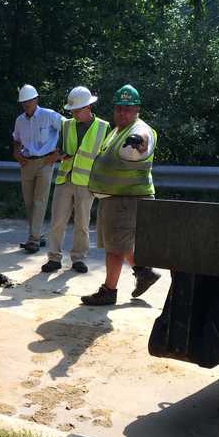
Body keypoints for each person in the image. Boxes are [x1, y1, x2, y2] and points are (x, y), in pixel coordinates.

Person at [81, 85, 161, 306]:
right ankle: (144, 272)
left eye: (128, 109)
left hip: (127, 199)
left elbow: (143, 142)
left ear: (137, 110)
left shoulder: (139, 130)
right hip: (116, 198)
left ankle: (109, 291)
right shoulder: (117, 131)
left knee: (115, 248)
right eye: (119, 109)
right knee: (118, 243)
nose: (122, 113)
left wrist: (138, 142)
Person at [41, 86, 111, 273]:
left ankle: (79, 259)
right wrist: (59, 155)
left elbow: (105, 158)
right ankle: (54, 258)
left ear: (88, 107)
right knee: (57, 221)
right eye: (72, 110)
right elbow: (60, 148)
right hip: (65, 179)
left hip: (87, 183)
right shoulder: (66, 125)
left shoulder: (104, 127)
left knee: (82, 224)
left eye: (77, 110)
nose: (73, 113)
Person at [12, 84, 64, 253]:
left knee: (39, 201)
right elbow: (16, 138)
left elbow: (68, 128)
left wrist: (58, 153)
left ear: (36, 100)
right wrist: (16, 152)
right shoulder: (20, 120)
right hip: (27, 162)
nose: (27, 104)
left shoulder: (49, 115)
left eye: (29, 101)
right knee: (29, 202)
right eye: (24, 102)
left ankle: (33, 239)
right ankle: (38, 235)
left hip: (45, 162)